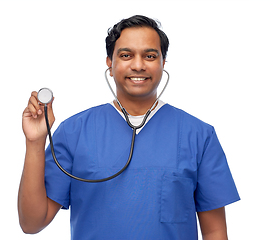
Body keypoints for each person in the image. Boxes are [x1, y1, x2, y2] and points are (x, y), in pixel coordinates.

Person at [18, 15, 240, 240]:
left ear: (163, 64)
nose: (138, 65)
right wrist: (35, 142)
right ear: (110, 64)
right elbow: (32, 223)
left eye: (150, 56)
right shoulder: (73, 132)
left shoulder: (199, 136)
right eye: (126, 55)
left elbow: (214, 231)